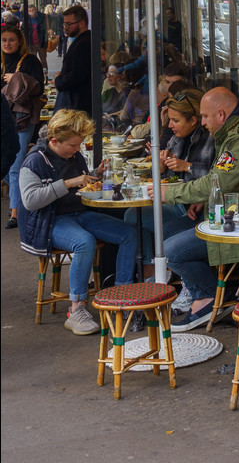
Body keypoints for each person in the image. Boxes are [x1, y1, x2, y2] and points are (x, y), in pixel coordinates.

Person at [160, 87, 239, 331]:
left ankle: (208, 298)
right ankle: (206, 294)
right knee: (167, 233)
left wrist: (170, 193)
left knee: (172, 251)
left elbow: (217, 181)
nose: (203, 122)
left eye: (205, 117)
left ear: (220, 113)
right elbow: (222, 180)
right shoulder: (238, 131)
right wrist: (204, 199)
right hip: (232, 215)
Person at [18, 110, 138, 335]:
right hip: (49, 220)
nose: (77, 149)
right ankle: (76, 309)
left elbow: (80, 185)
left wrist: (95, 174)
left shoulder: (74, 156)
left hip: (79, 213)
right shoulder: (34, 160)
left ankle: (122, 296)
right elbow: (31, 200)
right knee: (84, 242)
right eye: (73, 145)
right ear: (54, 140)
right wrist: (69, 182)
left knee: (128, 233)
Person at [122, 88, 213, 278]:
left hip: (194, 206)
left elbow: (215, 176)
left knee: (158, 231)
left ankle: (170, 275)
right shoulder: (177, 138)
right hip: (178, 201)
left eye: (175, 120)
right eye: (170, 119)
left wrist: (187, 166)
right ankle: (149, 267)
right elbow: (165, 173)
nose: (171, 124)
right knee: (132, 216)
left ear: (193, 120)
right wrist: (163, 167)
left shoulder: (209, 140)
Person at [2, 26, 45, 229]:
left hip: (22, 119)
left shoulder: (29, 61)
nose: (7, 44)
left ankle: (15, 213)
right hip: (4, 118)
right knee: (7, 165)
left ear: (20, 41)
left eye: (11, 40)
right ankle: (26, 198)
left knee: (15, 164)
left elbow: (39, 87)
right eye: (4, 40)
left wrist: (17, 79)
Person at [54, 6, 93, 112]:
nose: (65, 27)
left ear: (81, 23)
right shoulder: (82, 40)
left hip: (78, 102)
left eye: (68, 24)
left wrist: (59, 80)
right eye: (64, 24)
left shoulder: (83, 43)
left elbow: (78, 74)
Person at [25, 5, 49, 71]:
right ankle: (34, 75)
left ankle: (45, 75)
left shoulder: (42, 17)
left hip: (41, 43)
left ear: (36, 10)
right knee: (33, 61)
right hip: (31, 43)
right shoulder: (26, 19)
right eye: (30, 11)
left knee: (43, 60)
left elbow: (45, 28)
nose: (32, 12)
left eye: (33, 10)